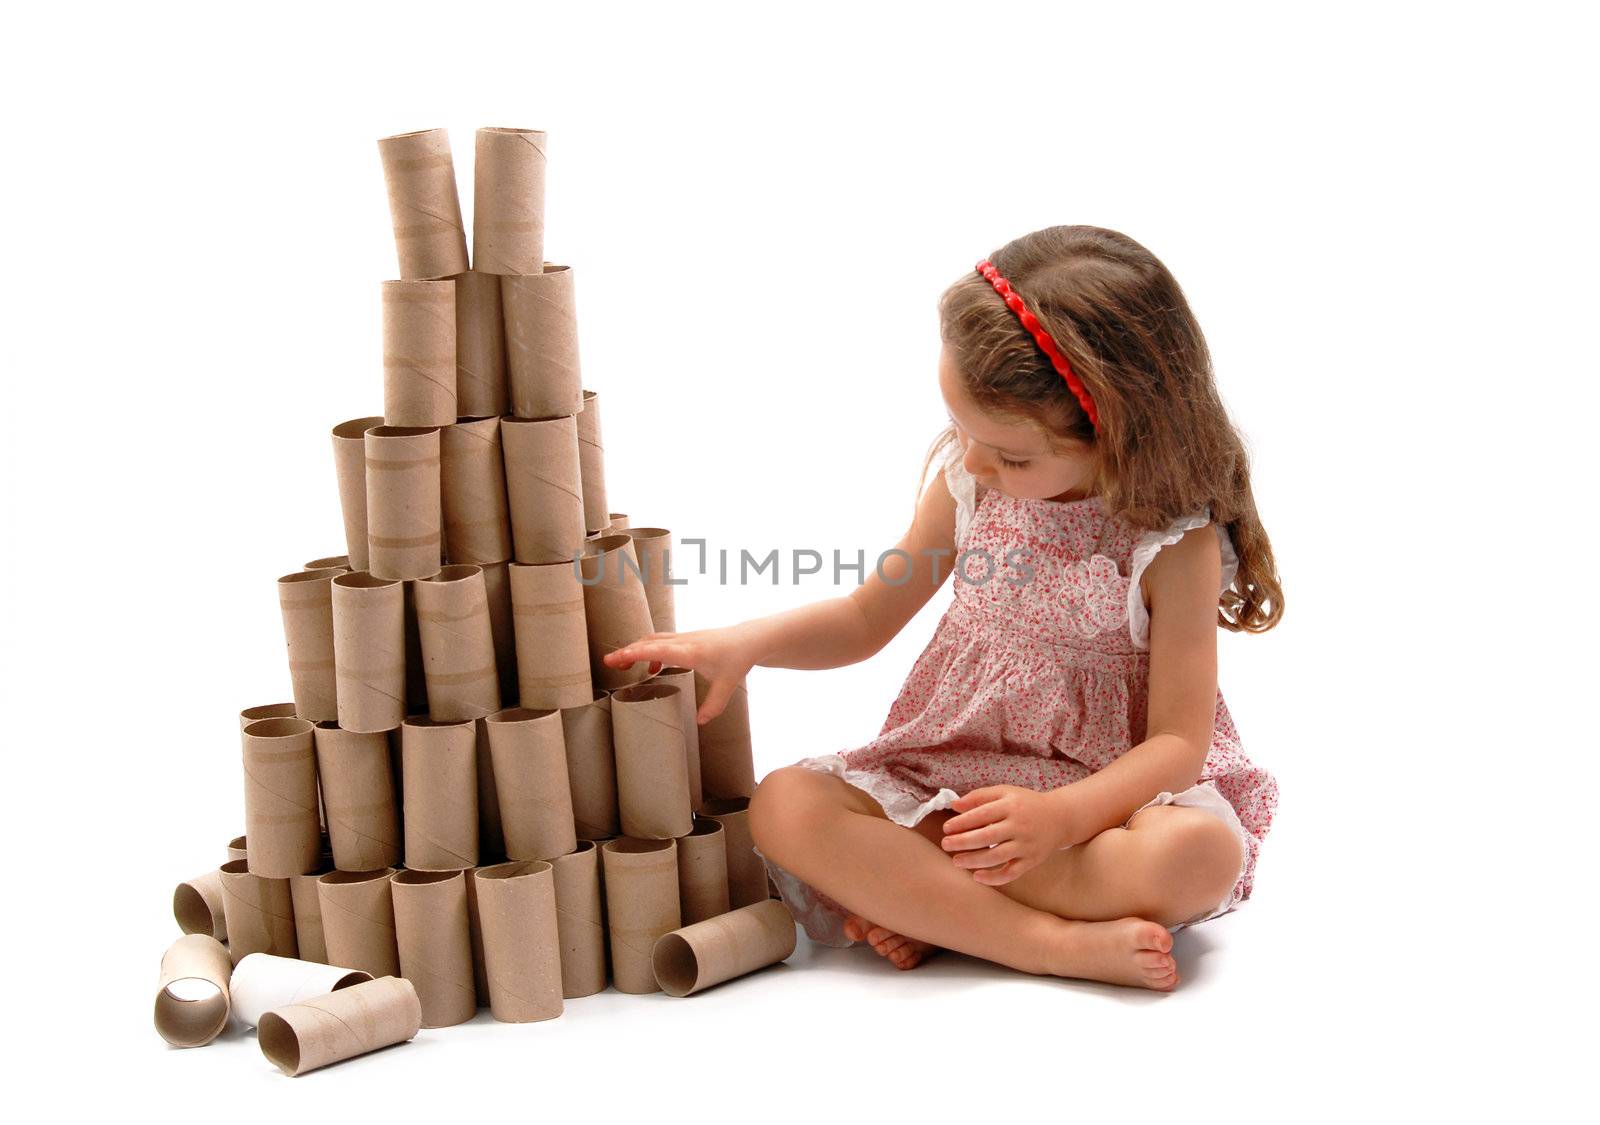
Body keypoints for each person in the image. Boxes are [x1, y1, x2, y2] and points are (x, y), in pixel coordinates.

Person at [602, 225, 1281, 992]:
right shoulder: (969, 484)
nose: (976, 461)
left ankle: (934, 905)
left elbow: (1178, 743)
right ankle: (1041, 941)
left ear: (1119, 429)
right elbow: (865, 618)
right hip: (956, 783)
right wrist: (747, 641)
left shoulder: (1170, 545)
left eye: (1012, 455)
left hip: (1105, 804)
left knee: (1196, 854)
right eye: (963, 430)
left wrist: (1060, 819)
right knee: (785, 806)